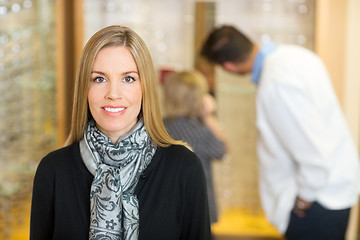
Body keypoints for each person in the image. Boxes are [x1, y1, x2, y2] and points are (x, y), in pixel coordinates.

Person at [30, 25, 211, 240]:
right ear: (84, 89)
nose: (113, 94)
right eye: (99, 79)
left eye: (128, 79)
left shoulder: (183, 167)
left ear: (145, 88)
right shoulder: (53, 170)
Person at [201, 25, 360, 240]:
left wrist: (302, 202)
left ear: (228, 66)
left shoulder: (276, 83)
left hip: (316, 202)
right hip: (333, 190)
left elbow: (314, 155)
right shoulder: (297, 56)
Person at [162, 71, 228, 225]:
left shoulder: (159, 127)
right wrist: (209, 116)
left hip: (168, 208)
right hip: (197, 208)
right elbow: (222, 150)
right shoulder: (200, 131)